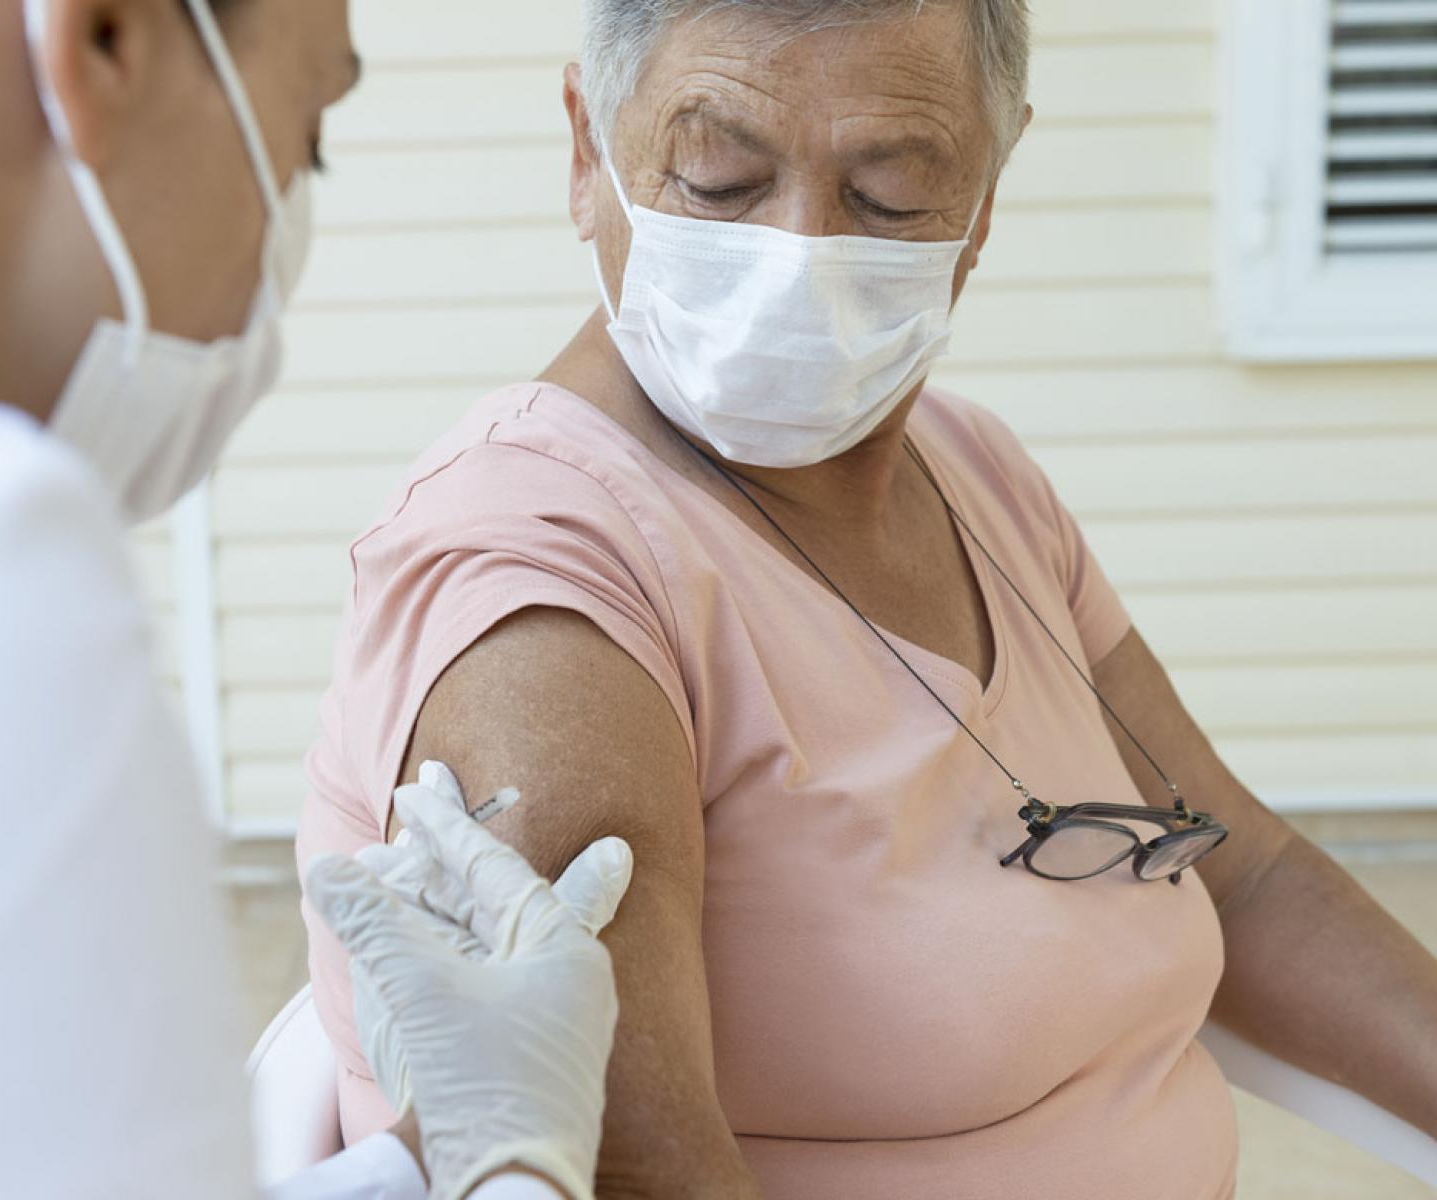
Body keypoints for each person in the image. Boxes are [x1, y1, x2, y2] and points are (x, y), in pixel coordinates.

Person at [295, 1, 1437, 1197]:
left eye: (889, 197)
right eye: (720, 179)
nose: (800, 251)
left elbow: (1239, 874)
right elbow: (630, 1159)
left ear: (985, 201)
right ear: (589, 154)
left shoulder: (977, 473)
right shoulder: (543, 583)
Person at [0, 2, 629, 1198]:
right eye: (304, 137)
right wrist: (520, 1163)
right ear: (103, 41)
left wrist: (418, 1165)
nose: (276, 256)